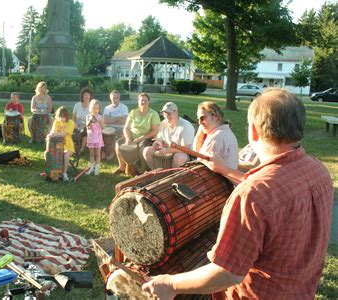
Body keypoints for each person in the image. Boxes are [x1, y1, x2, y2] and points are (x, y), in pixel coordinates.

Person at [142, 88, 334, 299]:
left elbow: (227, 273)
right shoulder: (319, 171)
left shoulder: (251, 196)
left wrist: (170, 283)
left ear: (253, 130)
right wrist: (225, 169)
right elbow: (274, 193)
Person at [115, 93, 160, 174]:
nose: (143, 102)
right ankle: (122, 166)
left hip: (146, 137)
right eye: (141, 100)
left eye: (145, 100)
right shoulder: (133, 112)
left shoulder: (153, 114)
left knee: (142, 148)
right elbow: (126, 127)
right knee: (118, 144)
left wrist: (141, 138)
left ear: (149, 102)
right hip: (132, 136)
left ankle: (142, 170)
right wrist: (128, 138)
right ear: (138, 102)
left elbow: (154, 131)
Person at [143, 102, 195, 169]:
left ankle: (175, 177)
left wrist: (167, 150)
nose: (167, 116)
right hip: (166, 149)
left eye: (169, 113)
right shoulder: (163, 123)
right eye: (164, 113)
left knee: (179, 158)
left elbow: (186, 149)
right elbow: (159, 138)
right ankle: (156, 172)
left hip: (184, 153)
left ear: (176, 113)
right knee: (147, 151)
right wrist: (157, 143)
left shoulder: (186, 126)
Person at [192, 101, 238, 169]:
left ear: (215, 116)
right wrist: (201, 129)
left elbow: (201, 165)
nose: (199, 122)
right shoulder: (224, 132)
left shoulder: (216, 138)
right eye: (198, 119)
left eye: (202, 118)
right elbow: (197, 152)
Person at [49, 106, 75, 182]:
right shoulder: (56, 122)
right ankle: (53, 171)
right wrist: (52, 134)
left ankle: (64, 173)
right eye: (60, 117)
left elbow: (63, 134)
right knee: (47, 153)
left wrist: (54, 134)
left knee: (66, 155)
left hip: (68, 146)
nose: (61, 119)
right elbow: (52, 133)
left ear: (67, 116)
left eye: (63, 117)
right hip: (56, 146)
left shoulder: (70, 122)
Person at [103, 89, 129, 160]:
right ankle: (104, 152)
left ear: (119, 98)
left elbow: (124, 121)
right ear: (110, 98)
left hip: (120, 128)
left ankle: (112, 153)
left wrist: (111, 120)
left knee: (117, 133)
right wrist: (117, 118)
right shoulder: (107, 108)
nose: (116, 100)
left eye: (117, 98)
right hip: (108, 127)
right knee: (101, 132)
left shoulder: (124, 107)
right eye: (114, 98)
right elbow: (106, 120)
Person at [86, 99, 105, 175]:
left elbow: (103, 126)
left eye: (97, 108)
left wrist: (98, 121)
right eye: (93, 108)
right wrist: (90, 121)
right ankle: (91, 168)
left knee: (97, 154)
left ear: (99, 109)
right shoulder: (88, 116)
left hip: (98, 138)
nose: (95, 110)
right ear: (90, 108)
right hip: (91, 138)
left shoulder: (100, 117)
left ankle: (97, 168)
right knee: (91, 154)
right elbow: (88, 127)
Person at [72, 87, 93, 154]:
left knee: (86, 130)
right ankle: (72, 148)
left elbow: (92, 120)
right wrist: (74, 124)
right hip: (77, 125)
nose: (86, 96)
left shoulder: (92, 106)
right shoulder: (77, 105)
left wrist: (85, 125)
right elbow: (73, 119)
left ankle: (81, 149)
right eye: (85, 94)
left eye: (88, 95)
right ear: (82, 96)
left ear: (90, 96)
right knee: (72, 129)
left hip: (87, 125)